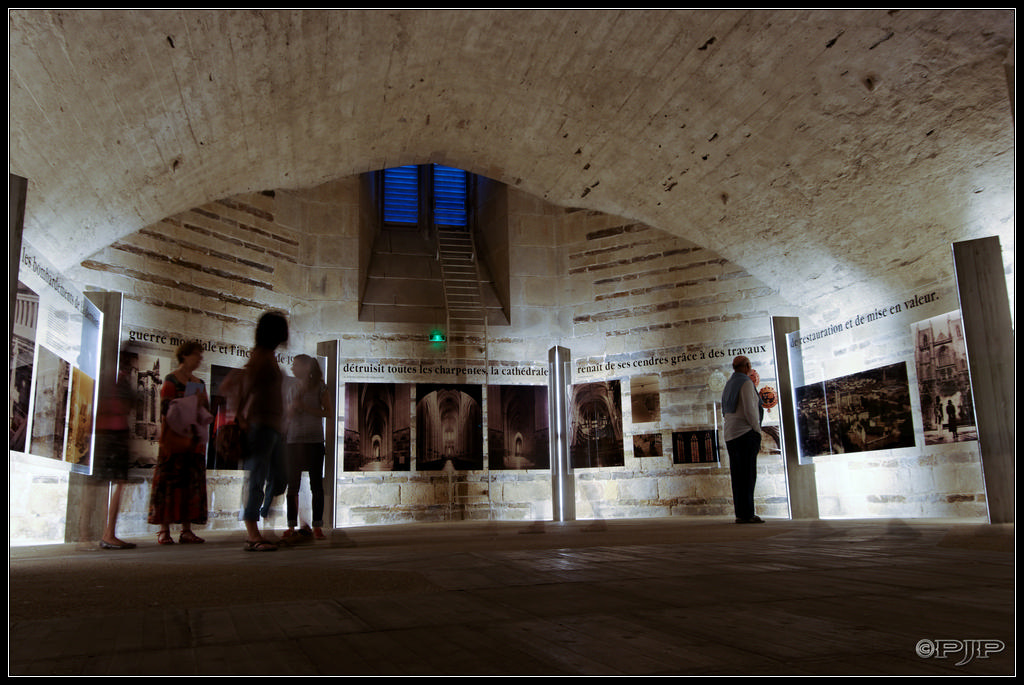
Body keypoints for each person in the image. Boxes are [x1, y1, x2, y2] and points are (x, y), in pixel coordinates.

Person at [223, 311, 289, 552]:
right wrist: (239, 415)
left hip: (273, 428)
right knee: (257, 479)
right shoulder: (260, 356)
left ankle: (262, 524)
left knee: (279, 478)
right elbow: (244, 385)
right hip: (260, 427)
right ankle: (253, 533)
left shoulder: (268, 356)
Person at [147, 341, 211, 544]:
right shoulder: (171, 379)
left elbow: (205, 411)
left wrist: (202, 405)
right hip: (175, 438)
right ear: (184, 355)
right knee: (169, 483)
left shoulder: (199, 382)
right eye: (196, 354)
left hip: (193, 441)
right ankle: (164, 530)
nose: (199, 358)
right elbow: (166, 408)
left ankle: (186, 529)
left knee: (189, 485)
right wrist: (194, 402)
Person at [282, 354, 332, 543]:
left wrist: (306, 407)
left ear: (306, 368)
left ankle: (317, 525)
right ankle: (291, 526)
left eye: (296, 365)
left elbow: (328, 411)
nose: (293, 368)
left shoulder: (320, 386)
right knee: (292, 485)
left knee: (316, 486)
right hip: (293, 441)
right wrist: (291, 410)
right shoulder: (291, 386)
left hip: (314, 441)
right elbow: (287, 413)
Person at [93, 350, 137, 549]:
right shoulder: (118, 379)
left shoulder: (104, 377)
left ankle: (102, 533)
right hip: (115, 432)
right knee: (119, 482)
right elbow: (126, 405)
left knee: (105, 482)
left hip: (103, 432)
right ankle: (108, 533)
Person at [721, 355, 763, 524]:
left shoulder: (729, 384)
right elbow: (750, 411)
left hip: (731, 435)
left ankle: (741, 513)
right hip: (745, 434)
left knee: (738, 477)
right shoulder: (746, 383)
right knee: (748, 475)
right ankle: (748, 514)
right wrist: (757, 431)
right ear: (747, 366)